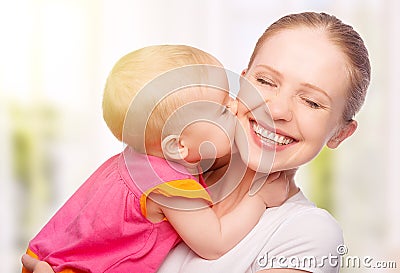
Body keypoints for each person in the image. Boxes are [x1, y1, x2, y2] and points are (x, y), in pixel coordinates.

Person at [21, 11, 371, 273]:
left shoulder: (308, 234)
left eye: (311, 101)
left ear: (340, 132)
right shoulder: (165, 163)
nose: (276, 110)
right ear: (240, 83)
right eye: (265, 81)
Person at [21, 45, 289, 273]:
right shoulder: (172, 189)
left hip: (48, 254)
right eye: (221, 110)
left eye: (229, 96)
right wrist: (260, 197)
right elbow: (214, 243)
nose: (234, 105)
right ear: (179, 146)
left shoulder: (139, 155)